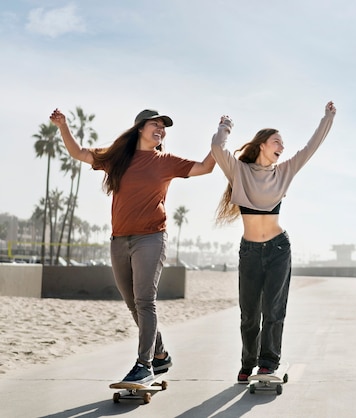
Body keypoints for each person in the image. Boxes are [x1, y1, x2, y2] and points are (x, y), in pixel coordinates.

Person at [49, 108, 217, 385]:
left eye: (164, 127)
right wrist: (63, 126)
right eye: (156, 124)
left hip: (150, 238)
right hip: (119, 239)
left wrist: (219, 139)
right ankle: (160, 353)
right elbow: (79, 153)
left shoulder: (166, 161)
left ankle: (145, 365)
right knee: (131, 303)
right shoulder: (118, 157)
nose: (161, 129)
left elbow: (205, 167)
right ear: (140, 128)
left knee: (144, 301)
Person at [211, 101, 336, 382]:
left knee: (274, 310)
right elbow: (218, 149)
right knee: (249, 313)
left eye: (283, 142)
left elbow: (311, 147)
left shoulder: (285, 171)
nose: (282, 146)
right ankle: (248, 362)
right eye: (277, 141)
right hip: (250, 251)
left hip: (279, 248)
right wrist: (225, 126)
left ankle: (268, 363)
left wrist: (327, 117)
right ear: (262, 145)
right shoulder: (239, 172)